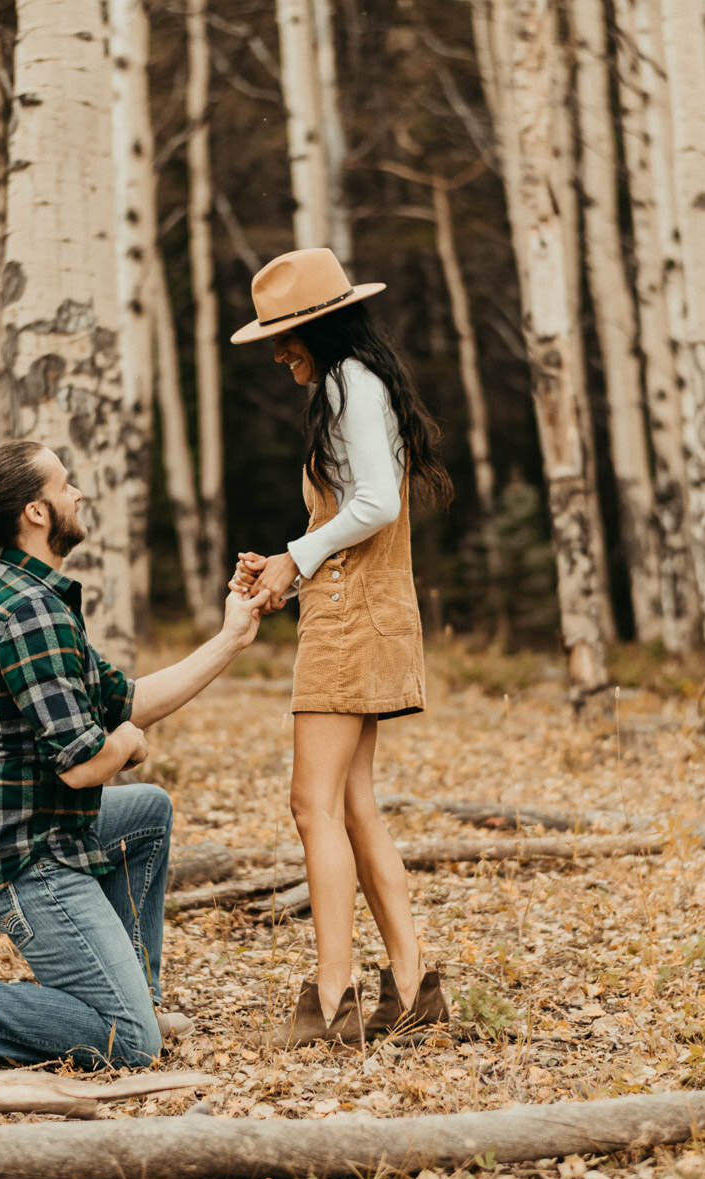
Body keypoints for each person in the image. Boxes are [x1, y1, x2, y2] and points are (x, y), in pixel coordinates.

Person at [0, 438, 265, 1068]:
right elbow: (84, 767)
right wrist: (128, 745)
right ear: (36, 511)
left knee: (147, 816)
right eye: (64, 483)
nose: (77, 492)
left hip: (24, 825)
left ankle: (135, 992)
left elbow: (126, 698)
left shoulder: (24, 590)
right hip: (20, 851)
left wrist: (231, 638)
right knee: (131, 1044)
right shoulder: (29, 612)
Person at [229, 247, 455, 1047]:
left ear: (321, 328)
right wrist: (290, 563)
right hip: (364, 606)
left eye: (286, 336)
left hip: (350, 617)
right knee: (354, 804)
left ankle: (332, 1002)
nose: (280, 350)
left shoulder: (345, 385)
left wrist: (298, 555)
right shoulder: (360, 383)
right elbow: (359, 511)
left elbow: (371, 506)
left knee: (311, 804)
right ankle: (410, 983)